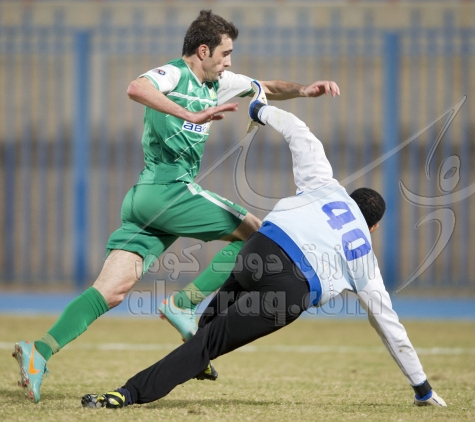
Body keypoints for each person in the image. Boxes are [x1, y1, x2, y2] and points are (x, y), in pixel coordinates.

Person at [12, 10, 340, 404]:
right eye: (225, 53)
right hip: (168, 190)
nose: (229, 62)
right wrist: (189, 114)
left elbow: (264, 86)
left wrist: (305, 90)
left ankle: (39, 352)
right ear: (203, 51)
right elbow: (136, 88)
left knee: (111, 291)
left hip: (146, 201)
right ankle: (182, 304)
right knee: (256, 234)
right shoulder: (174, 75)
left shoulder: (218, 83)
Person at [80, 82, 447, 409]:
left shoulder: (328, 186)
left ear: (350, 198)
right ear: (374, 227)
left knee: (209, 324)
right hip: (289, 289)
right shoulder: (364, 255)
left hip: (258, 250)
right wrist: (422, 388)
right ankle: (129, 393)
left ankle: (196, 344)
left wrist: (260, 110)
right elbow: (389, 326)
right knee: (207, 344)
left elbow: (300, 133)